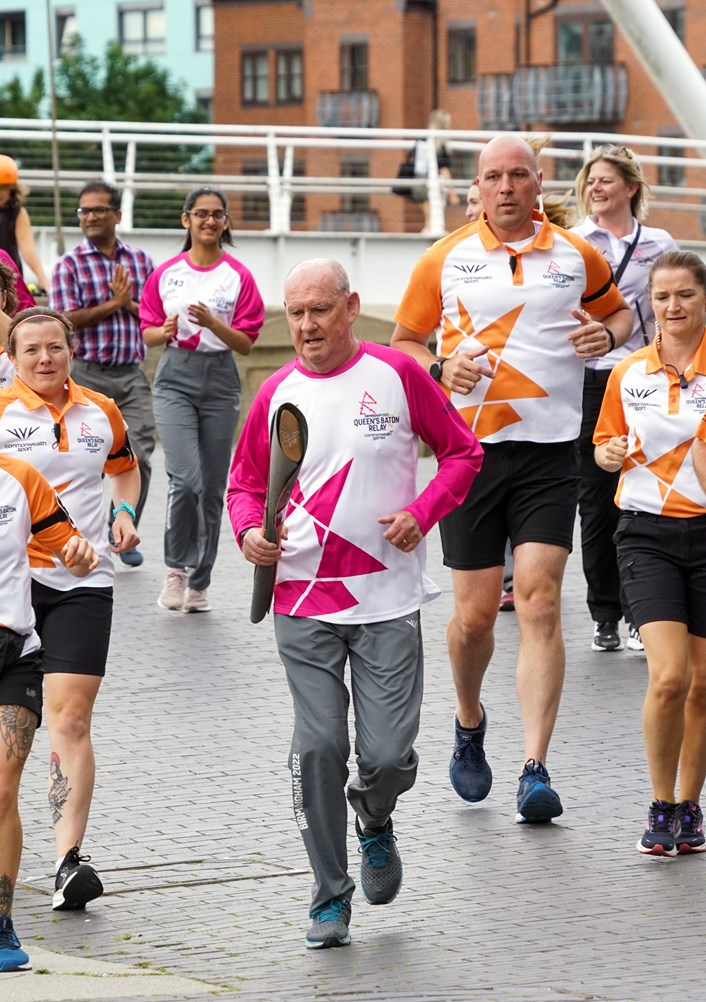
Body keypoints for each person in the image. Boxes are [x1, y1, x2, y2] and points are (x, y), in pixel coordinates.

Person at [227, 259, 482, 948]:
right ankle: (329, 897)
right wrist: (249, 531)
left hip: (387, 598)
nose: (306, 325)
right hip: (302, 601)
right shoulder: (276, 393)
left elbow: (462, 453)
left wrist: (422, 514)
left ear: (351, 307)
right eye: (295, 312)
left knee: (389, 756)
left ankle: (373, 816)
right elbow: (246, 483)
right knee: (317, 747)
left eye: (319, 310)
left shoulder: (398, 376)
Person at [390, 134, 632, 823]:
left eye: (517, 176)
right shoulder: (445, 257)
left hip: (552, 454)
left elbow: (619, 312)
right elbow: (403, 342)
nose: (505, 187)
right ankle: (469, 721)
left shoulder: (574, 253)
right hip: (470, 454)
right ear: (480, 185)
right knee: (472, 617)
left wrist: (607, 338)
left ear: (537, 181)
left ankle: (535, 767)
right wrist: (440, 371)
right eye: (493, 176)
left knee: (539, 601)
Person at [0, 307, 140, 911]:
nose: (44, 359)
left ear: (71, 350)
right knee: (14, 741)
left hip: (84, 583)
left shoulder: (100, 411)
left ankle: (67, 861)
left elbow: (126, 473)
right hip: (13, 586)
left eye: (54, 347)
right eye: (30, 350)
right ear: (13, 358)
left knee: (72, 717)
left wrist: (124, 514)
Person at [594, 250, 706, 856]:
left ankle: (691, 807)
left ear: (703, 299)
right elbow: (605, 441)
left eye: (685, 294)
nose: (673, 307)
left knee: (704, 685)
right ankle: (661, 805)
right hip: (645, 534)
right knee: (669, 677)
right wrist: (606, 455)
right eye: (662, 296)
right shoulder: (627, 372)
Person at [573, 144, 678, 654]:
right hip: (588, 381)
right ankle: (605, 614)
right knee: (594, 500)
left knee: (640, 492)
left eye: (606, 180)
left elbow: (671, 312)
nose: (595, 187)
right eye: (590, 180)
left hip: (644, 380)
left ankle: (643, 614)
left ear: (630, 189)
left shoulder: (658, 243)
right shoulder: (573, 242)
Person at [141, 186, 264, 614]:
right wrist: (167, 331)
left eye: (217, 215)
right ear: (186, 220)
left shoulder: (238, 276)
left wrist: (214, 322)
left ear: (226, 222)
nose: (209, 222)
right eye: (201, 214)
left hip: (220, 378)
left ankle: (200, 582)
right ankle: (176, 567)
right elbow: (149, 331)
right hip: (175, 375)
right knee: (186, 480)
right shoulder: (168, 273)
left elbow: (246, 343)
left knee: (212, 488)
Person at [0, 453, 97, 972]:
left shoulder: (20, 477)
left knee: (1, 790)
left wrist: (78, 554)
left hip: (14, 650)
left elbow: (69, 550)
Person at [49, 181, 155, 568]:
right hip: (87, 375)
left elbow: (153, 316)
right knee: (86, 460)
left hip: (131, 375)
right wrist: (116, 303)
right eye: (83, 211)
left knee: (140, 454)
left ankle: (122, 527)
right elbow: (63, 321)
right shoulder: (70, 264)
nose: (90, 216)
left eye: (98, 209)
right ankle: (81, 536)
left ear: (117, 215)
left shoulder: (142, 262)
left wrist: (128, 305)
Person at [0, 154, 50, 292]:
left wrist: (43, 280)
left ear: (12, 188)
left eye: (4, 187)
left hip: (8, 280)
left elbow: (28, 251)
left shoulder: (18, 213)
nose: (0, 192)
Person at [411, 109, 461, 234]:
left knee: (428, 214)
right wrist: (452, 193)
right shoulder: (440, 145)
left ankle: (428, 228)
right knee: (434, 211)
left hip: (419, 180)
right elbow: (444, 170)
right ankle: (432, 229)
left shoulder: (422, 140)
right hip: (434, 184)